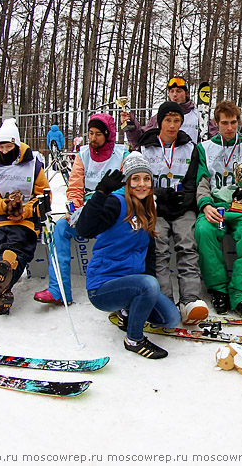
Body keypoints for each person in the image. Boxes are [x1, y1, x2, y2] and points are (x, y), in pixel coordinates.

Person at [76, 152, 181, 359]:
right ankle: (134, 339)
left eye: (146, 179)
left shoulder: (149, 209)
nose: (142, 184)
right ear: (127, 182)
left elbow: (149, 255)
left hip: (133, 285)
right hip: (103, 288)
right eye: (135, 179)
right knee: (148, 284)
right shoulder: (116, 204)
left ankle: (126, 313)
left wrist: (148, 289)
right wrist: (100, 192)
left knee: (171, 318)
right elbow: (84, 229)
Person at [34, 113, 127, 305]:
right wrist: (74, 208)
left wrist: (100, 202)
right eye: (90, 133)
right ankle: (58, 290)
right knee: (60, 228)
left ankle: (112, 288)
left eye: (98, 134)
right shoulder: (83, 155)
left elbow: (123, 187)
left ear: (108, 135)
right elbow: (75, 186)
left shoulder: (122, 154)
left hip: (111, 208)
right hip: (87, 208)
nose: (93, 138)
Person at [193, 100, 242, 318]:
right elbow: (202, 182)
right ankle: (218, 289)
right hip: (217, 204)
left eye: (233, 122)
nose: (230, 128)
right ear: (216, 123)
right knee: (205, 230)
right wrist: (205, 205)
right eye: (225, 123)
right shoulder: (205, 148)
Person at [137, 101, 206, 324]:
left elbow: (192, 181)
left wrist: (183, 201)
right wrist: (158, 194)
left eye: (177, 121)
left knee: (188, 246)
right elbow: (135, 181)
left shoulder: (190, 146)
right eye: (168, 120)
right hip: (154, 207)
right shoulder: (144, 147)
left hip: (182, 209)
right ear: (160, 122)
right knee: (158, 249)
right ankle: (164, 301)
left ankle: (190, 300)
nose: (173, 125)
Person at [0, 118, 52, 315]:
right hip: (1, 220)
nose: (4, 151)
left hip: (25, 221)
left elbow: (44, 195)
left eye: (8, 146)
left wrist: (26, 209)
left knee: (18, 249)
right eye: (1, 147)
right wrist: (5, 206)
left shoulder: (33, 165)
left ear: (16, 144)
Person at [121, 76, 217, 148]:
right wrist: (131, 125)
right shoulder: (159, 117)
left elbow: (215, 141)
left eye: (179, 91)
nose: (175, 95)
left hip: (191, 164)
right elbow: (140, 140)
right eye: (172, 91)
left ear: (186, 93)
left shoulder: (199, 116)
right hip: (164, 164)